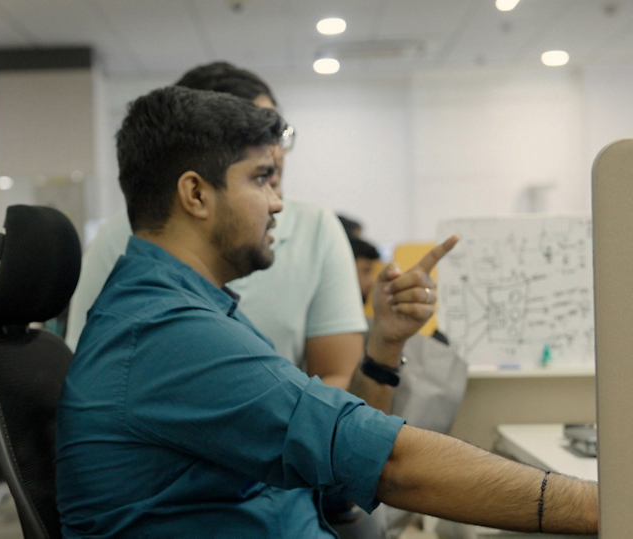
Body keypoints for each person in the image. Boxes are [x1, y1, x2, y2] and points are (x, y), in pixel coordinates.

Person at [55, 86, 598, 538]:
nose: (277, 202)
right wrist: (607, 507)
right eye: (261, 178)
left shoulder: (186, 310)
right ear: (196, 195)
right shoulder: (166, 333)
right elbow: (391, 465)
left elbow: (337, 462)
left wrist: (383, 348)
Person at [65, 62, 366, 395]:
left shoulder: (219, 308)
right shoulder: (170, 306)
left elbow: (332, 394)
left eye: (277, 135)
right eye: (257, 173)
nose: (276, 155)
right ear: (196, 193)